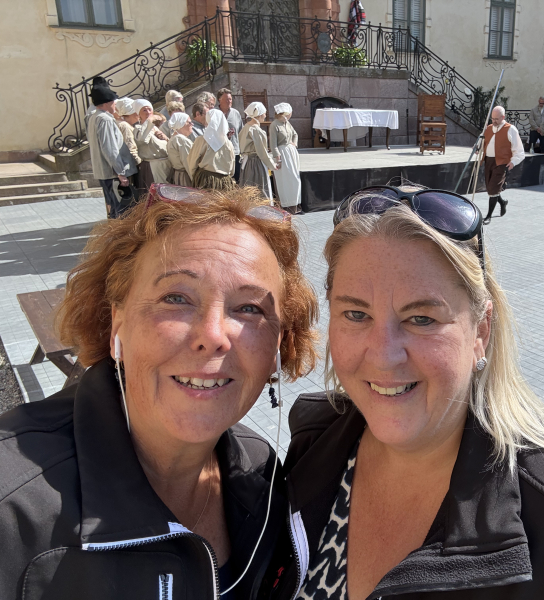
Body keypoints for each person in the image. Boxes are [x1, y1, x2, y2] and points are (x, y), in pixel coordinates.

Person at [272, 184, 544, 600]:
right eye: (356, 313)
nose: (384, 356)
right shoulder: (314, 443)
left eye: (422, 318)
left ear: (481, 331)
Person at [0, 186, 319, 600]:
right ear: (117, 321)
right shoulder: (13, 508)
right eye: (176, 298)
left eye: (249, 308)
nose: (212, 335)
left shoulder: (261, 475)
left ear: (279, 345)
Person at [86, 77, 137, 219]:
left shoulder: (93, 117)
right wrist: (120, 172)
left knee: (114, 210)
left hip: (105, 172)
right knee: (122, 211)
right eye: (113, 102)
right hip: (112, 173)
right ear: (107, 103)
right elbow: (110, 148)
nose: (115, 105)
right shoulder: (105, 119)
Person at [481, 106, 525, 224]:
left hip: (501, 163)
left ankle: (488, 216)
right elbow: (484, 143)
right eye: (493, 119)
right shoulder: (489, 128)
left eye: (496, 119)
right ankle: (502, 202)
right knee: (491, 188)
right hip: (488, 161)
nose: (494, 121)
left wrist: (513, 162)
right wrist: (478, 149)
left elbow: (519, 150)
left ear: (503, 117)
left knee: (493, 188)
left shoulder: (510, 129)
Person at [188, 108, 236, 190]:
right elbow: (232, 167)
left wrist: (195, 177)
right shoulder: (228, 144)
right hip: (224, 181)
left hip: (205, 180)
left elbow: (192, 162)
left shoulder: (202, 140)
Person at [240, 102, 278, 203]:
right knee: (259, 190)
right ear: (260, 114)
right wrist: (272, 165)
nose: (265, 116)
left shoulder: (246, 127)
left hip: (247, 163)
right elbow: (262, 152)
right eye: (264, 113)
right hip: (255, 163)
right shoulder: (255, 129)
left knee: (248, 188)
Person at [270, 103, 302, 214]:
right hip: (282, 154)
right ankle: (286, 206)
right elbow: (273, 144)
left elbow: (295, 134)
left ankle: (295, 204)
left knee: (294, 179)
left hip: (291, 154)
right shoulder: (274, 125)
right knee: (285, 180)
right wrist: (278, 158)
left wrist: (294, 144)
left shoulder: (287, 123)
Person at [134, 98, 172, 190]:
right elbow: (142, 139)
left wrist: (166, 138)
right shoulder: (138, 128)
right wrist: (149, 120)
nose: (148, 112)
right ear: (138, 114)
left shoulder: (155, 128)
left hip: (165, 164)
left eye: (149, 109)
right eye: (144, 110)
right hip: (154, 166)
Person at [218, 88, 244, 183]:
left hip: (235, 152)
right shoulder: (215, 113)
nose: (229, 101)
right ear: (219, 100)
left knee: (236, 180)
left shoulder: (236, 113)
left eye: (230, 99)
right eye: (226, 99)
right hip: (220, 153)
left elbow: (241, 132)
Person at [167, 112, 194, 187]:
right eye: (189, 122)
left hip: (179, 175)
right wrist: (196, 181)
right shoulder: (181, 140)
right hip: (185, 177)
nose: (192, 124)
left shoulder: (174, 138)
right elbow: (188, 163)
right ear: (182, 124)